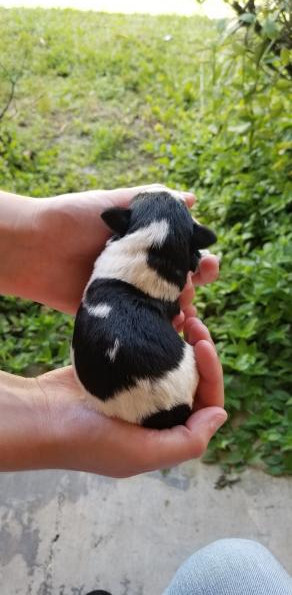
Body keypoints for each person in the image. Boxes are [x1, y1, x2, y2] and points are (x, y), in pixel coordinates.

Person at [2, 186, 291, 594]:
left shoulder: (107, 263)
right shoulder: (159, 283)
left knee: (232, 564)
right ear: (187, 254)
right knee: (233, 565)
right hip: (145, 389)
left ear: (119, 232)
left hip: (119, 382)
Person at [0, 184, 227, 475]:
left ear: (120, 229)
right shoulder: (164, 287)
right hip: (128, 393)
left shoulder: (108, 261)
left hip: (127, 384)